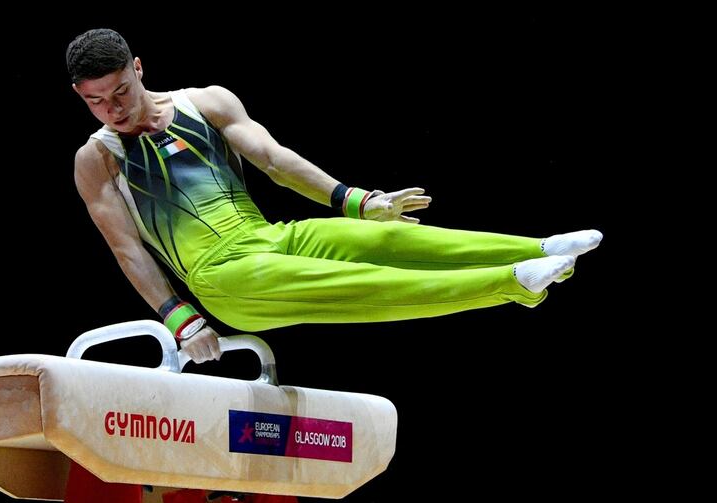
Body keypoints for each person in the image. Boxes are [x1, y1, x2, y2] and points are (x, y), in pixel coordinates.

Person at [67, 29, 602, 365]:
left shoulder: (204, 102)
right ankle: (511, 285)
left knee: (385, 238)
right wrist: (179, 318)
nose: (114, 109)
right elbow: (127, 249)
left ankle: (537, 250)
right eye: (97, 102)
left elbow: (275, 161)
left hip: (271, 237)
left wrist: (356, 200)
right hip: (222, 277)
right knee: (364, 284)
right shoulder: (97, 159)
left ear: (139, 68)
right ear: (80, 97)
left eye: (121, 92)